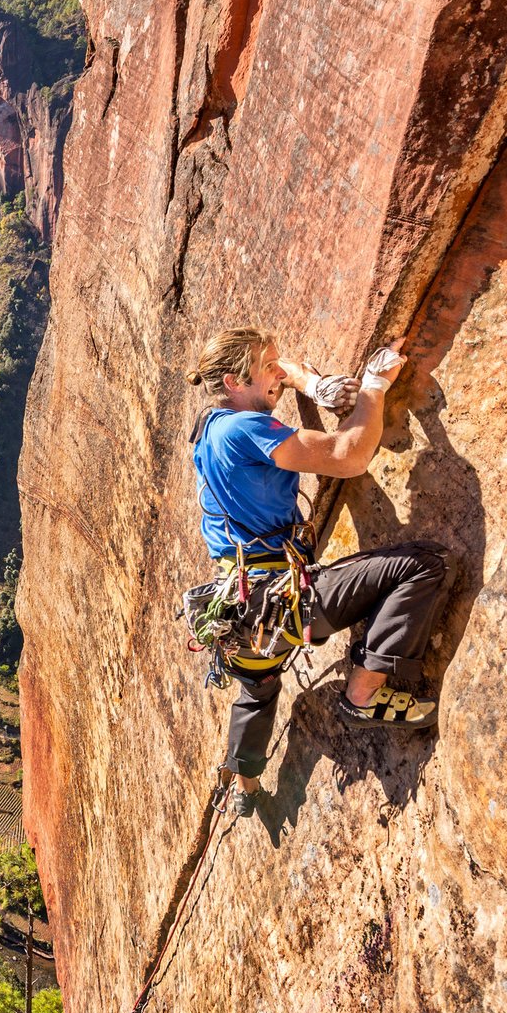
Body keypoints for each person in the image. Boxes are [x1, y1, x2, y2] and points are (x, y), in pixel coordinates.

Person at [187, 326, 452, 817]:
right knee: (424, 566)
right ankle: (363, 695)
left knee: (258, 689)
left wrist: (310, 384)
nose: (277, 373)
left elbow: (280, 373)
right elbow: (345, 456)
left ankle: (244, 785)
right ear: (233, 381)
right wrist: (372, 388)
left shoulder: (211, 425)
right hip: (283, 599)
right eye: (266, 368)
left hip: (242, 611)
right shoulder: (246, 429)